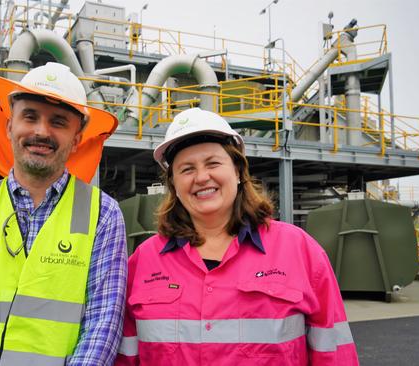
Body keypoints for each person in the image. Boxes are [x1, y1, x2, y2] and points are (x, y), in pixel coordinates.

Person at [115, 108, 359, 365]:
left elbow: (334, 352)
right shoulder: (144, 261)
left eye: (213, 163)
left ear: (239, 173)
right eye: (186, 169)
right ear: (174, 184)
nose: (201, 177)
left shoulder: (299, 250)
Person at [0, 62, 128, 365]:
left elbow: (103, 326)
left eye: (59, 122)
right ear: (9, 126)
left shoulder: (104, 216)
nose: (41, 132)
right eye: (29, 116)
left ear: (76, 138)